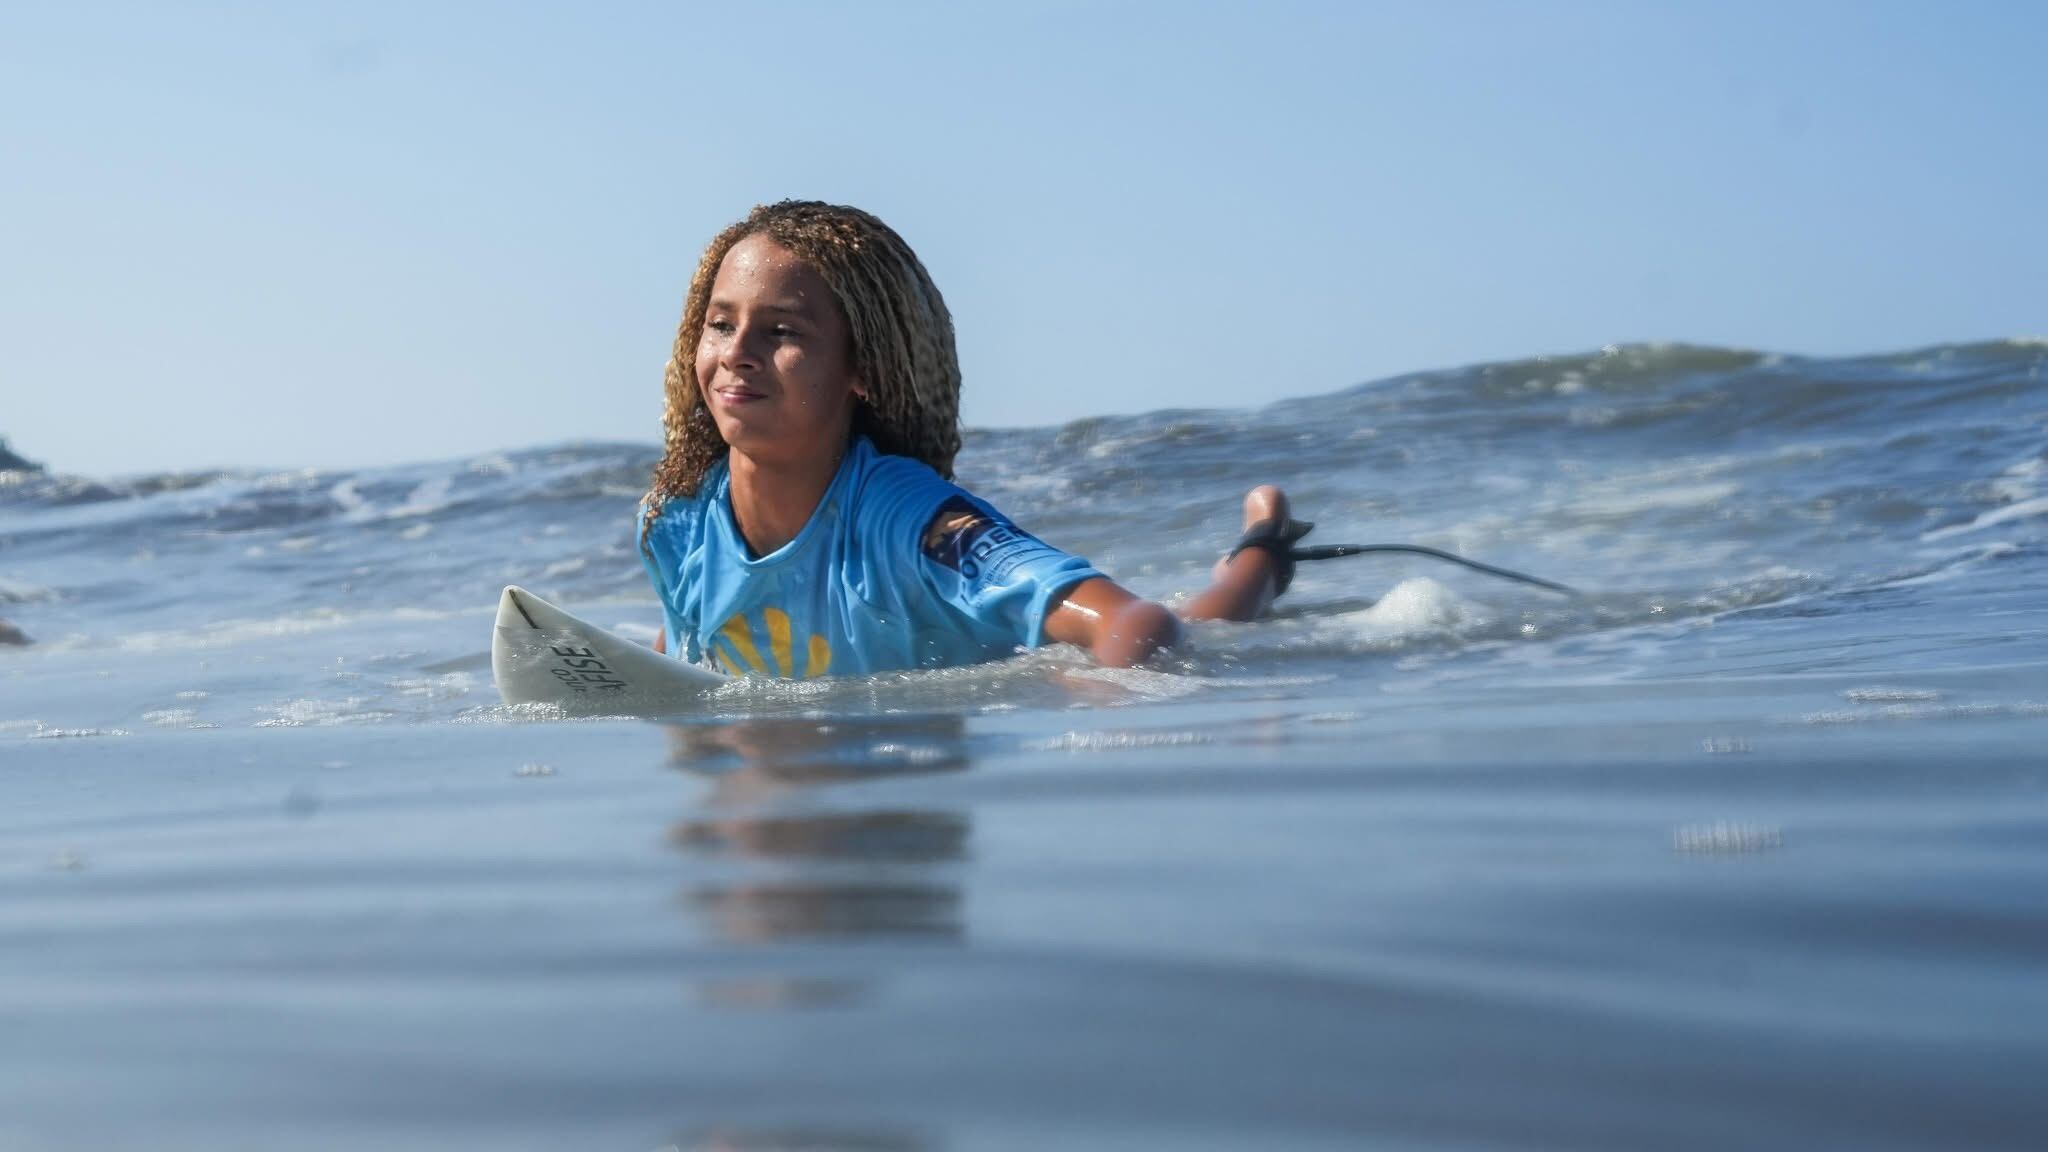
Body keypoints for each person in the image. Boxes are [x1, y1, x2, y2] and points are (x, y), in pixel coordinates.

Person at [639, 200, 1303, 678]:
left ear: (861, 370)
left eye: (782, 332)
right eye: (721, 324)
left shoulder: (913, 522)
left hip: (903, 797)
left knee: (1205, 621)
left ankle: (1263, 551)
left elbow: (1141, 625)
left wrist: (1088, 685)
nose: (737, 354)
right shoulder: (677, 521)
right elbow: (687, 651)